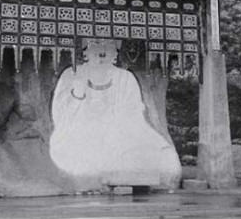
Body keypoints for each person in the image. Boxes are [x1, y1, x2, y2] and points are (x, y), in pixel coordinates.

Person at [49, 39, 181, 187]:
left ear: (115, 54)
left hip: (118, 130)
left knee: (164, 158)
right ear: (85, 52)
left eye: (108, 47)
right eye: (96, 46)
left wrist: (112, 116)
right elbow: (60, 113)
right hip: (82, 129)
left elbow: (134, 114)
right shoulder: (72, 74)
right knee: (80, 157)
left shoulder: (125, 77)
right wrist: (78, 97)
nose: (102, 53)